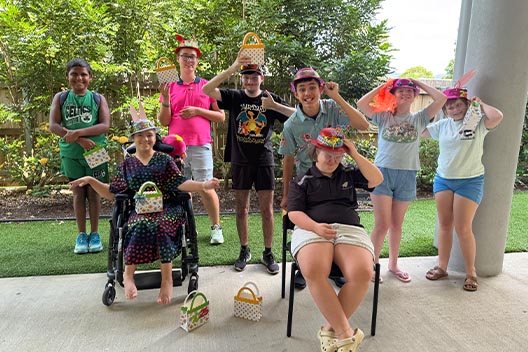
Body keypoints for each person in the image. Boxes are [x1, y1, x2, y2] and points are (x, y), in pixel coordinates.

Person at [69, 118, 220, 304]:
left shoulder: (165, 160)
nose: (145, 139)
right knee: (137, 224)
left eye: (149, 135)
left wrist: (203, 185)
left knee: (161, 226)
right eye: (140, 135)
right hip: (139, 210)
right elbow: (112, 193)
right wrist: (91, 180)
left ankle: (167, 280)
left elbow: (180, 183)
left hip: (167, 207)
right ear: (133, 138)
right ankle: (128, 276)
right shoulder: (126, 165)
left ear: (155, 137)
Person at [287, 128, 383, 352]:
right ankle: (346, 335)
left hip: (349, 229)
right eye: (328, 154)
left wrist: (355, 154)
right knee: (313, 269)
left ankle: (331, 330)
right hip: (312, 227)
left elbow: (377, 178)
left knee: (363, 273)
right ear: (316, 152)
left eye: (338, 156)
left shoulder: (348, 172)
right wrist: (315, 227)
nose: (333, 160)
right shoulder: (302, 180)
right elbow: (294, 214)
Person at [202, 50, 295, 274]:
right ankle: (244, 250)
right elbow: (205, 89)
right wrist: (233, 67)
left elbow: (298, 116)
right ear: (242, 78)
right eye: (247, 77)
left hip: (264, 160)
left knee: (266, 210)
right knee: (241, 208)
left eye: (255, 77)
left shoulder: (270, 99)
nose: (251, 80)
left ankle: (268, 251)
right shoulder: (235, 97)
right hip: (240, 160)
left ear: (262, 78)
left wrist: (275, 107)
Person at [278, 67, 370, 289]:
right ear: (296, 94)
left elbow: (363, 125)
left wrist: (336, 96)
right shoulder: (291, 125)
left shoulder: (333, 109)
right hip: (307, 182)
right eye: (302, 89)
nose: (308, 93)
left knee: (337, 216)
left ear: (320, 89)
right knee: (304, 222)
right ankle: (303, 265)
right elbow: (288, 159)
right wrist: (286, 194)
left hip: (336, 176)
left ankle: (337, 262)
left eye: (312, 87)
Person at [356, 78, 446, 283]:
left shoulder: (421, 118)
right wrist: (385, 85)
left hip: (407, 174)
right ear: (393, 94)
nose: (405, 93)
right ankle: (372, 264)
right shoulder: (383, 117)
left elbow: (441, 98)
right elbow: (361, 104)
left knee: (397, 224)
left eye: (409, 91)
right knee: (382, 224)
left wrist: (418, 82)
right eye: (400, 91)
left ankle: (393, 264)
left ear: (415, 96)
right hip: (381, 174)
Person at [423, 87, 503, 291]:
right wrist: (434, 105)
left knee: (463, 228)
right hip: (443, 180)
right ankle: (442, 267)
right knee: (444, 225)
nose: (454, 109)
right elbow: (418, 130)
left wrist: (480, 103)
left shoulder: (477, 124)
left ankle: (471, 272)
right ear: (445, 110)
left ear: (467, 105)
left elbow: (497, 116)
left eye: (458, 104)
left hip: (470, 181)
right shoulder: (442, 126)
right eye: (449, 106)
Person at [158, 34, 226, 245]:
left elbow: (221, 116)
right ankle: (187, 228)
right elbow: (163, 120)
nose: (189, 60)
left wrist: (197, 110)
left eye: (192, 57)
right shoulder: (169, 87)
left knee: (206, 186)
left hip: (201, 144)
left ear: (197, 61)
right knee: (181, 188)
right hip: (175, 149)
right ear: (178, 59)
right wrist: (167, 101)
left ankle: (216, 228)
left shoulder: (206, 86)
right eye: (185, 56)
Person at [49, 58, 110, 254]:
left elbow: (104, 125)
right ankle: (81, 235)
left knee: (94, 192)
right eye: (74, 74)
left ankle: (95, 234)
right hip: (71, 152)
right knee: (78, 193)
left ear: (90, 77)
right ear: (67, 76)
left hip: (96, 151)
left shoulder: (97, 98)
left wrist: (79, 133)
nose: (79, 78)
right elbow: (54, 126)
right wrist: (78, 139)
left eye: (83, 74)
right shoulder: (61, 98)